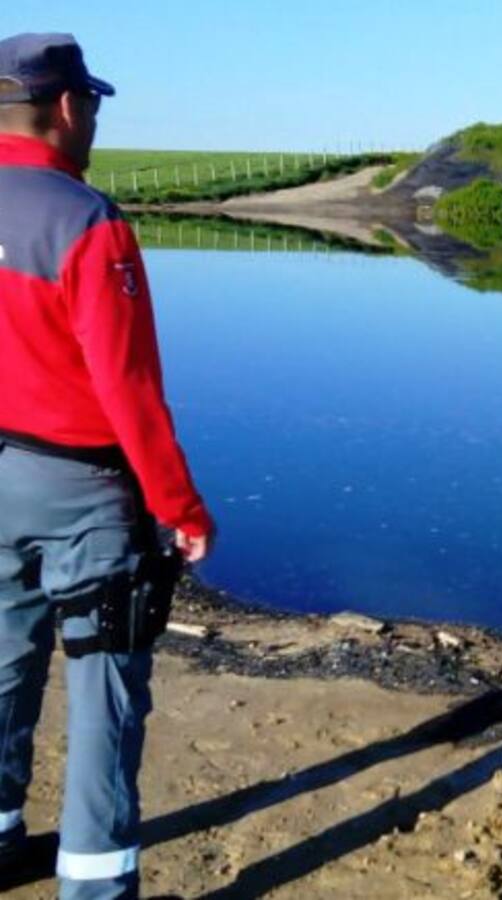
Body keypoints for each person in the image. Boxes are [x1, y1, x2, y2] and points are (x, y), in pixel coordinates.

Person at [0, 32, 214, 900]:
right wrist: (181, 507)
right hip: (82, 491)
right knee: (104, 688)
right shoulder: (86, 220)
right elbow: (127, 388)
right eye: (90, 104)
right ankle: (95, 886)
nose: (92, 120)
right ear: (66, 106)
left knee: (2, 659)